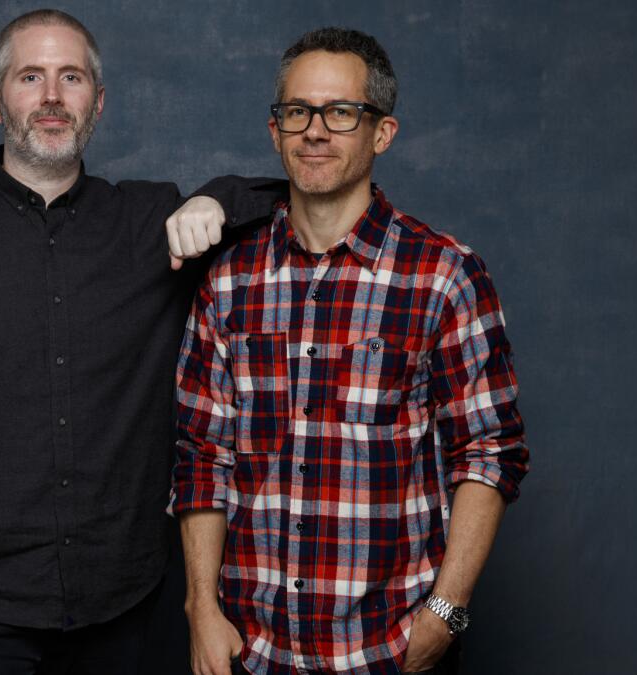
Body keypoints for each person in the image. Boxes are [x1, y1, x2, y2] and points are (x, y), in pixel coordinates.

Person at [0, 9, 279, 675]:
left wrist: (216, 200)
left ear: (96, 103)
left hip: (127, 606)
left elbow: (298, 195)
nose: (51, 96)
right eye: (30, 77)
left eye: (70, 77)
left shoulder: (149, 222)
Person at [171, 27, 530, 675]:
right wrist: (202, 609)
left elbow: (489, 451)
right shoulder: (228, 283)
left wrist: (445, 615)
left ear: (382, 133)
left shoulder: (444, 276)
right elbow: (204, 455)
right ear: (275, 130)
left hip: (387, 650)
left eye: (341, 113)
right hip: (253, 651)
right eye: (297, 112)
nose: (315, 131)